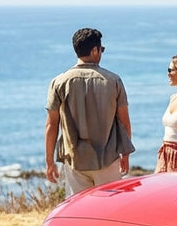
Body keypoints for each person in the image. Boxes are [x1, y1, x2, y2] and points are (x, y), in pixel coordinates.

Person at [45, 28, 134, 197]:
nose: (101, 53)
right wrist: (126, 154)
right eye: (101, 49)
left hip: (75, 160)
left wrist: (50, 162)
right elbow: (124, 123)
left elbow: (51, 125)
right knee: (109, 210)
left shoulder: (59, 82)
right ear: (95, 50)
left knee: (79, 212)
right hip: (108, 159)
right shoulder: (113, 80)